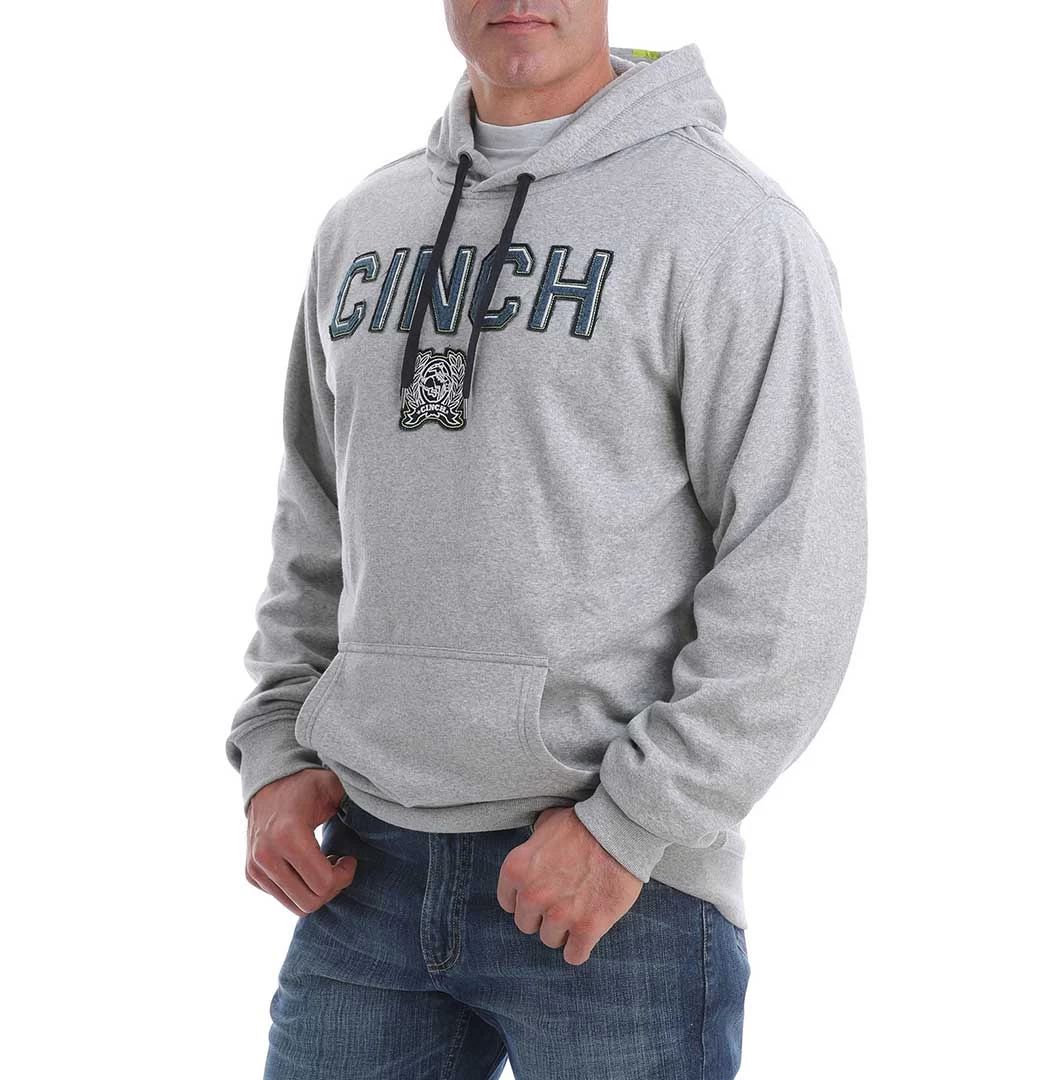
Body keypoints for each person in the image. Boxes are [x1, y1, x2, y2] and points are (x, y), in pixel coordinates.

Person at [225, 3, 868, 1077]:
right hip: (362, 874)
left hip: (615, 897)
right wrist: (274, 749)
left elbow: (798, 566)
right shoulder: (365, 225)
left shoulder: (731, 226)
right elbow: (317, 517)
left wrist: (630, 824)